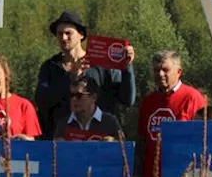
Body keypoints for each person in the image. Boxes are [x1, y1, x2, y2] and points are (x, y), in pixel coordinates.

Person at [137, 50, 206, 177]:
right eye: (156, 70)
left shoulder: (192, 97)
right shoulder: (148, 102)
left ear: (179, 71)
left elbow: (204, 136)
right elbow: (143, 138)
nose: (160, 74)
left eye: (165, 70)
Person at [34, 11, 136, 141]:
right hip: (63, 140)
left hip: (100, 141)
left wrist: (127, 66)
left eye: (68, 33)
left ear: (81, 35)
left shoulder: (101, 64)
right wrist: (73, 76)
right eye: (60, 34)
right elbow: (42, 102)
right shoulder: (50, 67)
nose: (63, 38)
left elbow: (127, 99)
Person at [53, 77, 123, 141]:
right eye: (71, 95)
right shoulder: (63, 124)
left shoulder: (109, 122)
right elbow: (54, 153)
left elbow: (124, 151)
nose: (73, 99)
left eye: (78, 95)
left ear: (93, 97)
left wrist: (112, 143)